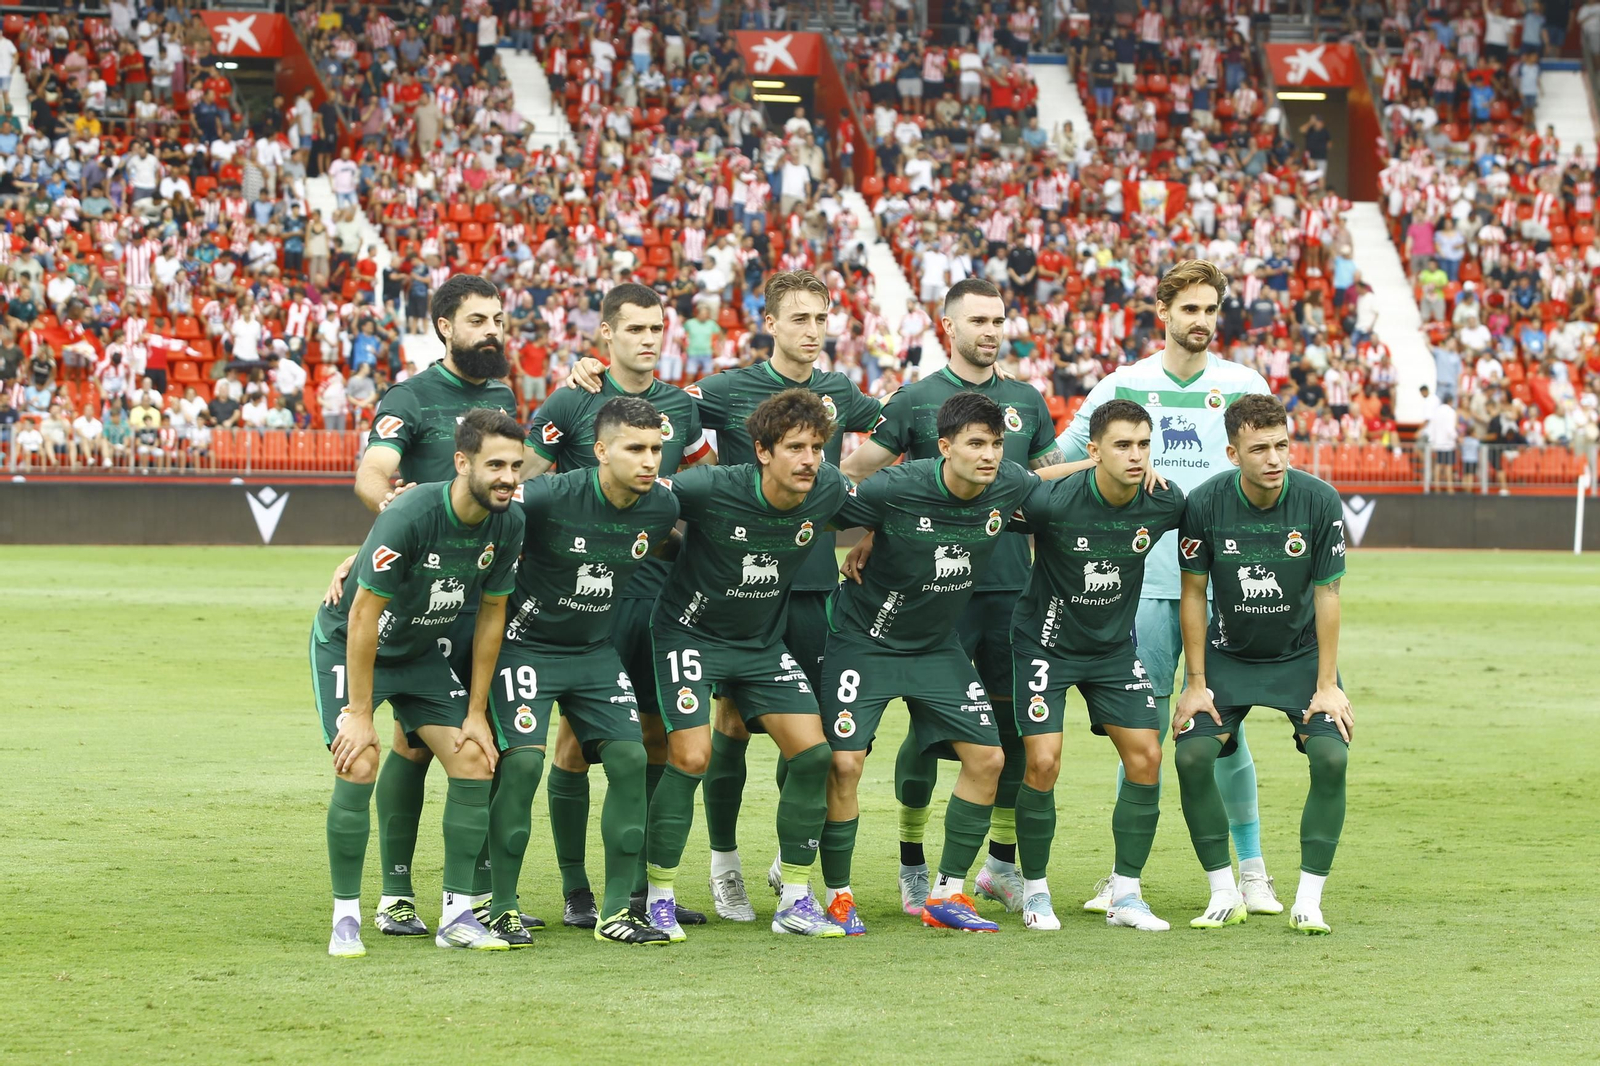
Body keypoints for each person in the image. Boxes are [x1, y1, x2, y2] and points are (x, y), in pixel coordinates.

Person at [1056, 259, 1282, 916]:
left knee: (1226, 734)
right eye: (1190, 309)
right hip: (1144, 589)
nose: (1202, 321)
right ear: (1164, 312)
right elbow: (1064, 456)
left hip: (1226, 590)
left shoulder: (1244, 385)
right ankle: (1124, 877)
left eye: (1211, 309)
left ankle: (1254, 874)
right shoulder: (1123, 385)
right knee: (1142, 733)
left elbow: (1268, 471)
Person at [655, 270, 884, 920]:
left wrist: (870, 530)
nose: (812, 331)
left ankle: (791, 863)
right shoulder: (728, 389)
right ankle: (724, 864)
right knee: (728, 725)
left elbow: (906, 431)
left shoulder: (839, 392)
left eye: (821, 319)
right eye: (799, 318)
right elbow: (660, 410)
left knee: (811, 735)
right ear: (772, 323)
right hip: (732, 587)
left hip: (809, 583)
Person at [840, 277, 1065, 918]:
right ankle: (913, 865)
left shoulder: (1026, 399)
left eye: (999, 320)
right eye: (979, 321)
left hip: (1009, 588)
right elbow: (859, 474)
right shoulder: (915, 400)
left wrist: (1102, 464)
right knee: (925, 732)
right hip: (930, 600)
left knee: (1010, 731)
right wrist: (871, 533)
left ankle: (999, 866)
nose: (991, 331)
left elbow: (1044, 484)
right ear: (949, 326)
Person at [522, 282, 711, 930]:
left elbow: (699, 492)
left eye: (657, 328)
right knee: (575, 744)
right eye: (635, 329)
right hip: (582, 601)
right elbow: (517, 483)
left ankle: (641, 890)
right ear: (606, 334)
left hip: (658, 597)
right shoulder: (572, 399)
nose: (649, 339)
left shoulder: (681, 406)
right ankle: (577, 890)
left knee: (655, 738)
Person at [640, 389, 857, 940]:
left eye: (816, 448)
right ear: (763, 451)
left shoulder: (828, 488)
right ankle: (658, 898)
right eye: (795, 448)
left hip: (760, 644)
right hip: (689, 634)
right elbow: (638, 497)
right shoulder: (710, 486)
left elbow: (885, 508)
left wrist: (870, 540)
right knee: (691, 756)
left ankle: (796, 897)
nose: (809, 460)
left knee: (814, 755)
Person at [312, 408, 527, 957]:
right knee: (359, 761)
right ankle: (346, 918)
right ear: (463, 463)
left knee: (474, 757)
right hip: (352, 642)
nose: (507, 477)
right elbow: (362, 616)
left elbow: (492, 616)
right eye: (495, 465)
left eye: (515, 466)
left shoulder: (509, 523)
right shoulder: (411, 513)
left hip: (421, 650)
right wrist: (361, 714)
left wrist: (476, 712)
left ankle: (457, 916)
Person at [351, 275, 521, 938]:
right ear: (445, 327)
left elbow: (514, 478)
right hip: (419, 600)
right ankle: (396, 894)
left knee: (485, 741)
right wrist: (394, 528)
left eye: (498, 320)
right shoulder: (410, 397)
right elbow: (372, 474)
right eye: (478, 320)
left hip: (477, 595)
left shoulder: (503, 396)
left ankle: (477, 895)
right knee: (413, 744)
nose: (492, 332)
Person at [486, 397, 682, 947]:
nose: (649, 461)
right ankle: (500, 907)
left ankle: (616, 912)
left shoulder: (660, 507)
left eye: (656, 449)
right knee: (523, 765)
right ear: (600, 451)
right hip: (525, 647)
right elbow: (470, 510)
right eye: (635, 448)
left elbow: (678, 548)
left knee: (631, 758)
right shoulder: (546, 496)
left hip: (594, 651)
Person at [1173, 394, 1351, 934]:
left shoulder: (1320, 501)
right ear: (1233, 453)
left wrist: (1327, 684)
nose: (1274, 459)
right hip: (1227, 657)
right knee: (1191, 757)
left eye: (1282, 445)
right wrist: (1195, 683)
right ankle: (1223, 891)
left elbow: (1328, 594)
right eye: (1259, 449)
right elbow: (1193, 593)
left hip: (1301, 658)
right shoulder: (1204, 504)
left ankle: (1308, 901)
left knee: (1331, 757)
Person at [1009, 399, 1184, 933]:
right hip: (1045, 646)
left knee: (1148, 756)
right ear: (1094, 450)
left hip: (1112, 653)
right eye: (1122, 446)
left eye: (1143, 445)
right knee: (1043, 763)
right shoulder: (1054, 500)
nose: (1136, 456)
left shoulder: (1163, 500)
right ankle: (1035, 891)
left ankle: (1126, 893)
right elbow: (1004, 485)